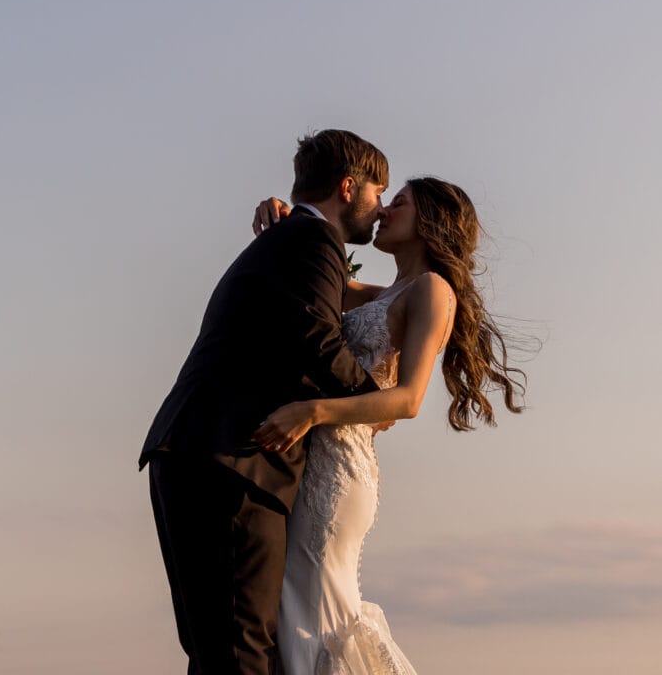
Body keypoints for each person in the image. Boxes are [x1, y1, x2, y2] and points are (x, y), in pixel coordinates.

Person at [139, 130, 389, 675]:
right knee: (241, 650)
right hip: (233, 460)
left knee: (221, 650)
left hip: (200, 452)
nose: (381, 208)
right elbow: (318, 339)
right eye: (378, 192)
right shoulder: (312, 239)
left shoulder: (290, 238)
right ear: (348, 188)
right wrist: (378, 403)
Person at [252, 177, 526, 674]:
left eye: (397, 203)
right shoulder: (385, 294)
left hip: (339, 469)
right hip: (315, 459)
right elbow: (313, 275)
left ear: (431, 222)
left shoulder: (433, 290)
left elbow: (408, 400)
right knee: (297, 606)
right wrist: (286, 218)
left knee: (313, 611)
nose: (382, 212)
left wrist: (313, 412)